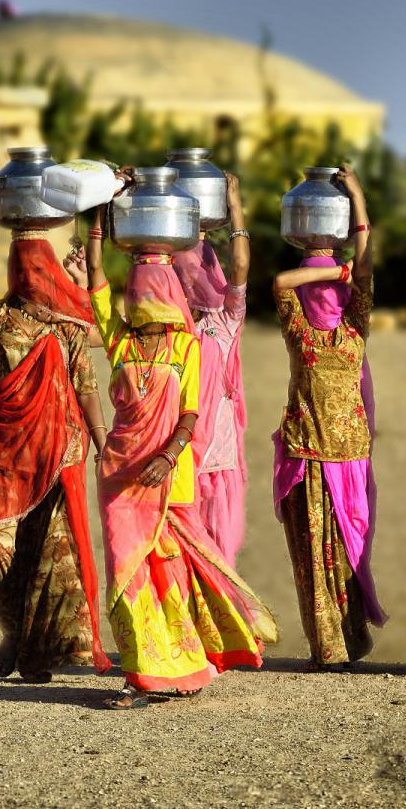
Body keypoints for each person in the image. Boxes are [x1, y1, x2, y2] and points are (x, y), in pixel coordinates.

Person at [84, 206, 278, 710]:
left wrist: (168, 458)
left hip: (168, 476)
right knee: (126, 572)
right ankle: (142, 670)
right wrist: (100, 220)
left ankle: (177, 668)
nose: (146, 298)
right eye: (139, 287)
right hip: (121, 477)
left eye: (155, 287)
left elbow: (191, 414)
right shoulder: (119, 342)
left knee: (168, 570)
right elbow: (96, 281)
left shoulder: (185, 346)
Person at [0, 228, 111, 683]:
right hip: (1, 453)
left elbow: (87, 387)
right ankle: (11, 632)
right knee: (0, 550)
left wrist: (105, 446)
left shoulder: (67, 324)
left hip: (59, 453)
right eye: (20, 263)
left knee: (53, 554)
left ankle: (39, 652)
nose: (27, 273)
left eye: (36, 264)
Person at [270, 163, 388, 671]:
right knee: (313, 559)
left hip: (348, 456)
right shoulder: (301, 330)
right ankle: (328, 649)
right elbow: (282, 280)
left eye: (334, 293)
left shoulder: (353, 325)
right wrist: (333, 270)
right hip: (307, 453)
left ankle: (350, 639)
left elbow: (363, 263)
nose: (326, 299)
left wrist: (357, 198)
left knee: (346, 555)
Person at [173, 173, 251, 565]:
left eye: (194, 273)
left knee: (221, 558)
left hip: (219, 459)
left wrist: (234, 205)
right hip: (181, 454)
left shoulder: (225, 320)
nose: (190, 281)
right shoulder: (171, 327)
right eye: (182, 275)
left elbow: (240, 265)